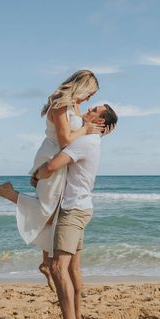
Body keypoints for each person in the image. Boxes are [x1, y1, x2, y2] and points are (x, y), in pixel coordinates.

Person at [0, 103, 118, 319]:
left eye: (94, 111)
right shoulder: (93, 140)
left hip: (72, 211)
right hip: (81, 207)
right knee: (73, 268)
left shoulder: (85, 142)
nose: (87, 111)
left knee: (59, 268)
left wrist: (37, 175)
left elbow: (51, 166)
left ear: (100, 122)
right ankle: (76, 318)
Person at [13, 70, 104, 289]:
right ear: (81, 86)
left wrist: (91, 129)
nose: (89, 99)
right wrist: (86, 128)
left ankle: (46, 262)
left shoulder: (74, 105)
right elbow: (65, 140)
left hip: (61, 159)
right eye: (89, 93)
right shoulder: (60, 104)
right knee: (48, 208)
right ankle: (46, 262)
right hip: (53, 154)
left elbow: (76, 137)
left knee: (55, 210)